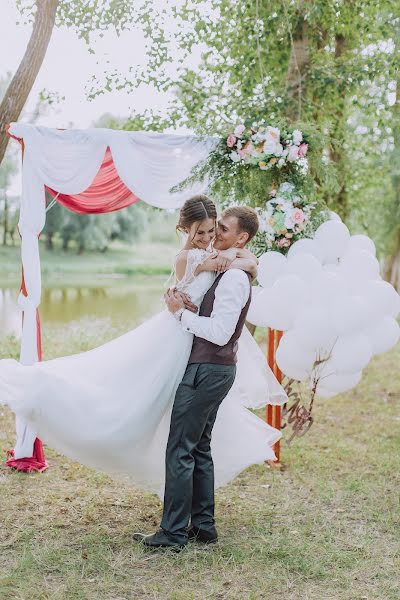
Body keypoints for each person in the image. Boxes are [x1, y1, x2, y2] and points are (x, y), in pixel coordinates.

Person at [0, 195, 286, 498]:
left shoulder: (215, 253)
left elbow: (249, 263)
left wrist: (244, 261)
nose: (207, 238)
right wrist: (241, 261)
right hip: (175, 336)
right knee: (136, 399)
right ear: (184, 230)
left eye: (212, 231)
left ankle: (187, 493)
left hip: (192, 340)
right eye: (198, 233)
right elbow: (239, 263)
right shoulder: (189, 258)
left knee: (176, 414)